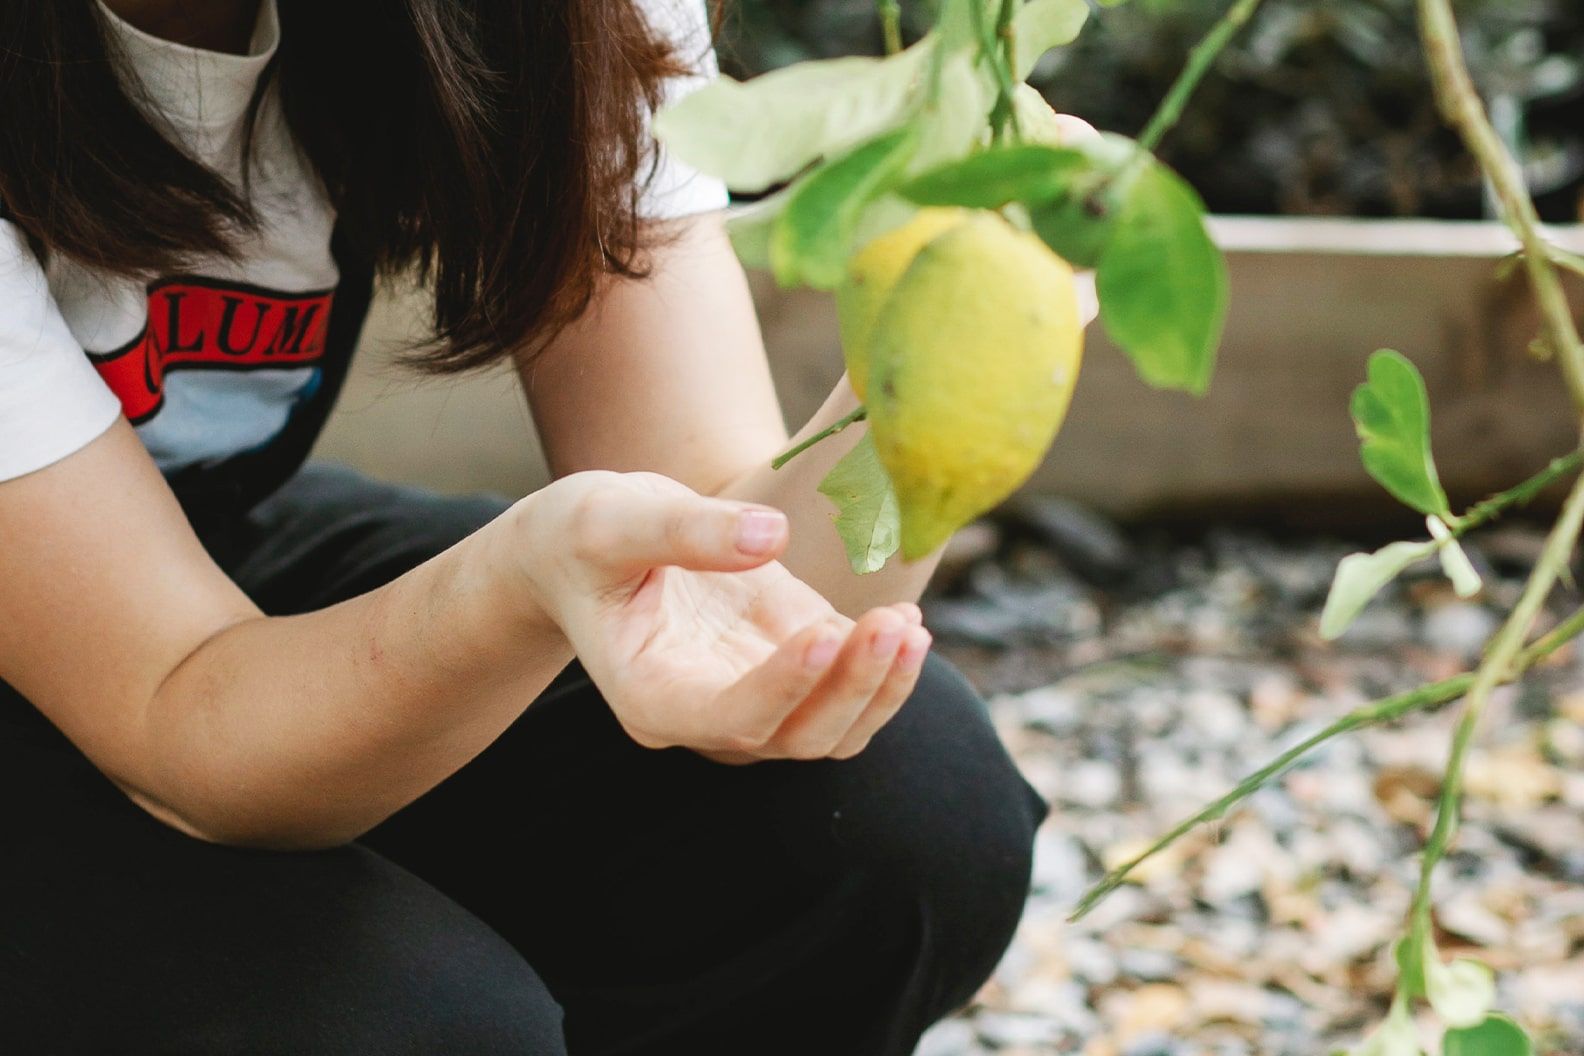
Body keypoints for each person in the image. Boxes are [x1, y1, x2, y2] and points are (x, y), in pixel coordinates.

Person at [0, 1, 1067, 1052]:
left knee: (897, 811)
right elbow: (176, 713)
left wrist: (945, 368)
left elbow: (730, 575)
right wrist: (512, 587)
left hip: (191, 558)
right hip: (154, 669)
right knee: (391, 1026)